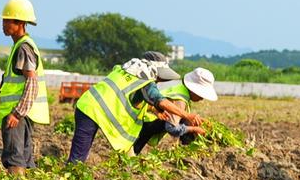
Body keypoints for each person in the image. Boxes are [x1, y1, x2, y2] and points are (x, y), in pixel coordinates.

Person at [67, 51, 203, 163]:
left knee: (128, 160)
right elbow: (160, 100)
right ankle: (71, 177)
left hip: (90, 106)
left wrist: (154, 110)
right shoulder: (145, 80)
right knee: (77, 159)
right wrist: (187, 115)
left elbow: (133, 98)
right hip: (91, 110)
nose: (158, 80)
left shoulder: (127, 71)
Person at [0, 0, 50, 174]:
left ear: (20, 23)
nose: (4, 25)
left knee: (15, 157)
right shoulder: (20, 46)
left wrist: (17, 113)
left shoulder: (23, 48)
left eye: (8, 21)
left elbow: (32, 83)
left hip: (17, 114)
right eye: (4, 21)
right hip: (21, 113)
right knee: (24, 156)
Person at [133, 67, 218, 154]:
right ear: (193, 90)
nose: (202, 98)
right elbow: (172, 128)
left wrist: (200, 120)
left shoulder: (181, 90)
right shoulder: (180, 100)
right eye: (201, 95)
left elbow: (182, 115)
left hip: (146, 121)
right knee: (132, 150)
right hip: (145, 124)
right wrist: (194, 129)